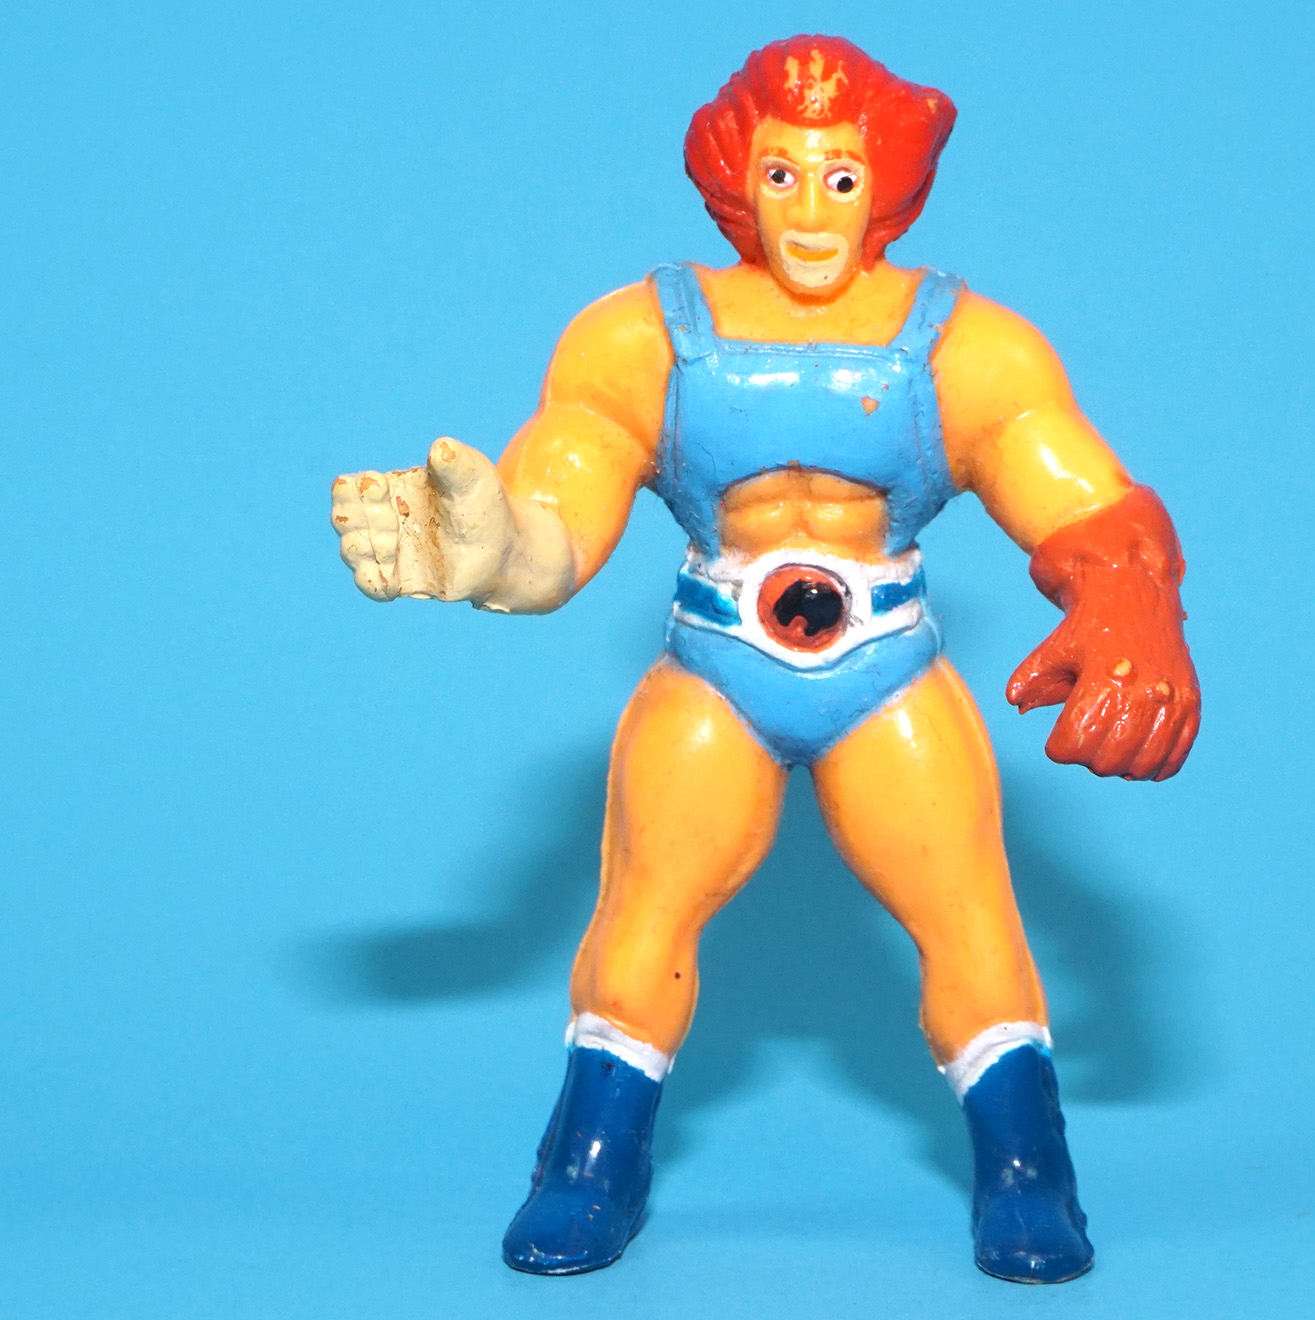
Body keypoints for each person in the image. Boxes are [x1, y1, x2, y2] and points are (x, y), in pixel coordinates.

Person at [330, 34, 1199, 1284]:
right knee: (643, 911)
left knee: (968, 912)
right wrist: (490, 554)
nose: (810, 211)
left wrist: (1131, 598)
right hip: (716, 662)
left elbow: (1077, 496)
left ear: (886, 184)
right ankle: (589, 1163)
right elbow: (556, 518)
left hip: (885, 665)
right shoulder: (640, 338)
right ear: (738, 179)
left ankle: (1027, 1169)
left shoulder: (968, 349)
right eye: (782, 175)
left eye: (840, 178)